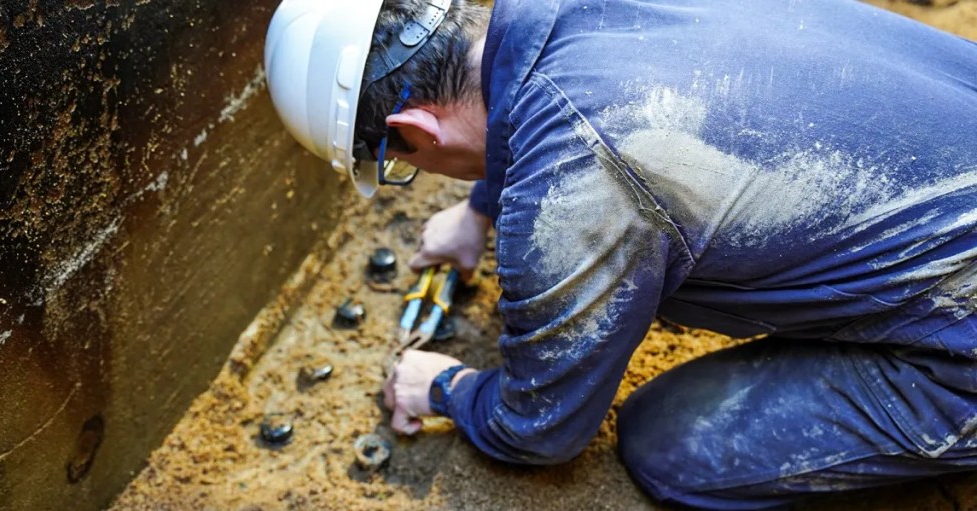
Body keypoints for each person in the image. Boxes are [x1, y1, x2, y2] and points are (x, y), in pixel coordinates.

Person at [264, 0, 977, 508]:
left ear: (413, 127)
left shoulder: (579, 184)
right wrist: (480, 209)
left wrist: (447, 387)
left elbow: (541, 429)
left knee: (664, 445)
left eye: (398, 161)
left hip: (964, 333)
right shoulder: (570, 12)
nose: (409, 174)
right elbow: (550, 104)